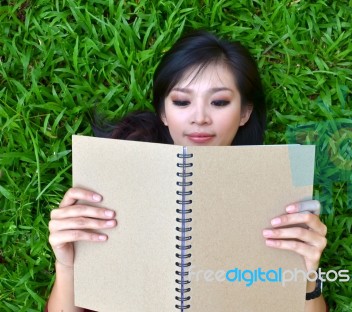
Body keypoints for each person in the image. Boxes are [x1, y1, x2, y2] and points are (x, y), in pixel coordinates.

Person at [46, 30, 328, 311]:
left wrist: (306, 274)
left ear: (245, 112)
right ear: (163, 113)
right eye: (182, 102)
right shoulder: (114, 183)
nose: (200, 118)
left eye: (219, 102)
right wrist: (68, 264)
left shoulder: (275, 196)